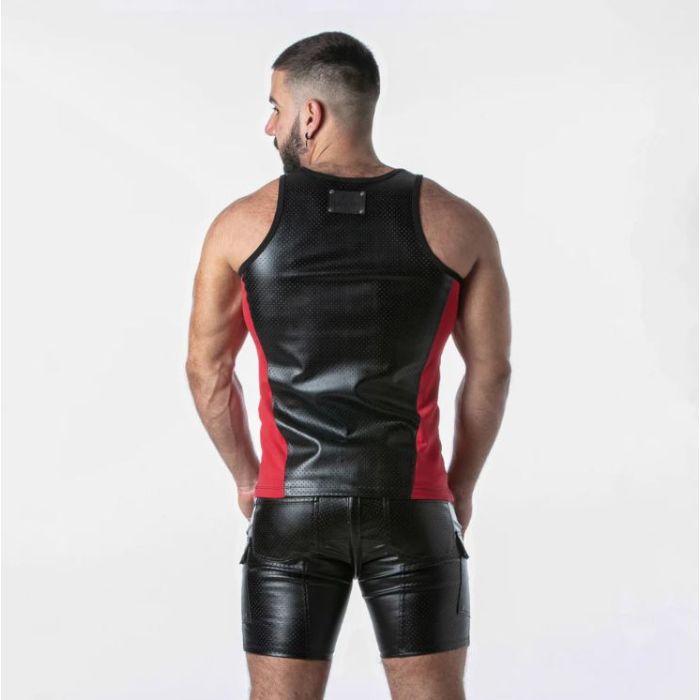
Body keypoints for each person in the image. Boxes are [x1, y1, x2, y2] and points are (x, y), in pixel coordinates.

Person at [186, 30, 511, 700]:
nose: (269, 125)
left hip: (290, 507)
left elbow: (207, 370)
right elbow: (492, 371)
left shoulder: (239, 226)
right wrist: (458, 487)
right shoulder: (457, 223)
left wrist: (248, 478)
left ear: (310, 116)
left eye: (275, 107)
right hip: (414, 506)